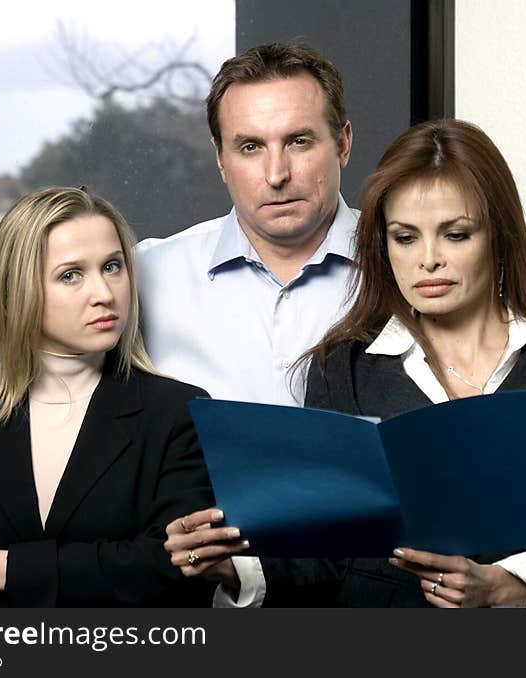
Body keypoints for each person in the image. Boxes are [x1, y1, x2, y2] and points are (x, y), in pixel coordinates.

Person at [300, 119, 526, 607]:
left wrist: (513, 588)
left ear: (499, 236)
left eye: (456, 234)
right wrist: (233, 567)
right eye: (405, 238)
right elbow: (321, 549)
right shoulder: (342, 369)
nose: (428, 260)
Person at [0, 186, 241, 607]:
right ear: (20, 288)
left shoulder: (178, 413)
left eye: (112, 267)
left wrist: (5, 569)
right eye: (71, 275)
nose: (105, 293)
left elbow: (172, 571)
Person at [136, 43, 357, 606]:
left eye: (300, 141)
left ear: (344, 143)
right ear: (219, 158)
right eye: (251, 146)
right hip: (196, 604)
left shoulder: (411, 272)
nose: (277, 173)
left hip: (372, 600)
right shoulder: (146, 276)